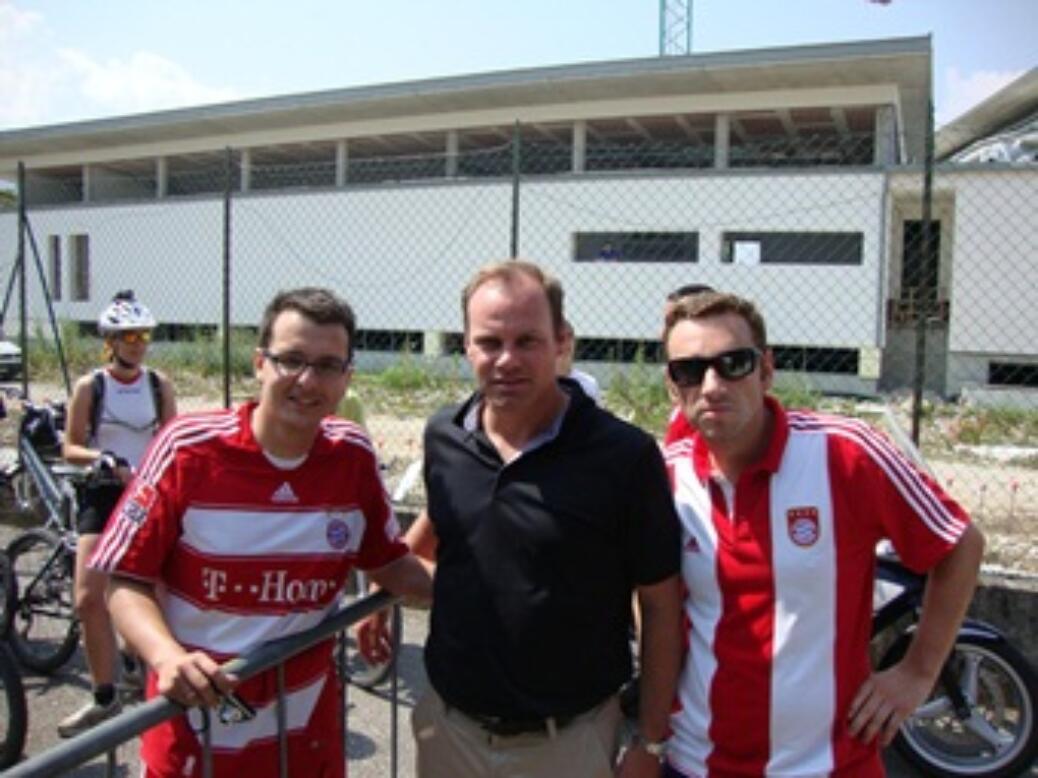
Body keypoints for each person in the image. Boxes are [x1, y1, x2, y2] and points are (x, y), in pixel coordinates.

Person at [91, 287, 434, 778]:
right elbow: (125, 581)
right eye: (290, 360)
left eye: (327, 366)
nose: (307, 380)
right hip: (197, 735)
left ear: (347, 379)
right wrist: (165, 657)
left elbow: (391, 564)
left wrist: (489, 593)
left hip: (305, 736)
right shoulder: (188, 449)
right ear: (259, 364)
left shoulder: (353, 456)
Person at [363, 260, 682, 778]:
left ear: (561, 341)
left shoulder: (623, 456)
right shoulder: (445, 435)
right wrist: (381, 601)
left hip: (566, 744)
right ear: (465, 346)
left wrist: (650, 740)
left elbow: (660, 605)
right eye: (489, 342)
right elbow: (447, 524)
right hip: (448, 732)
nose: (506, 360)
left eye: (527, 341)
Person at [660, 291, 984, 777]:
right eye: (690, 370)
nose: (711, 385)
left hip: (831, 765)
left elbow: (959, 544)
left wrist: (918, 671)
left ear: (766, 370)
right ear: (672, 386)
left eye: (733, 363)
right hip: (695, 763)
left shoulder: (845, 454)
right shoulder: (664, 479)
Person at [58, 290, 177, 737]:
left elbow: (170, 438)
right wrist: (100, 458)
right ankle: (103, 696)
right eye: (128, 335)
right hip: (104, 493)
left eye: (144, 334)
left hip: (145, 497)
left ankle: (137, 667)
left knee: (153, 591)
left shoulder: (157, 384)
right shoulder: (92, 386)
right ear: (110, 340)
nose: (137, 343)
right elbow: (69, 447)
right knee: (89, 598)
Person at [557, 318, 602, 405]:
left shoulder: (589, 384)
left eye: (570, 336)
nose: (566, 343)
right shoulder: (538, 384)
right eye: (559, 338)